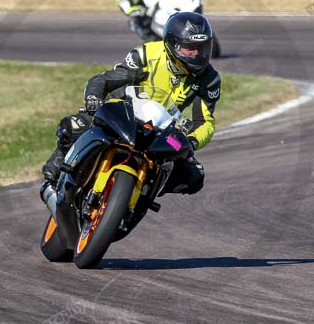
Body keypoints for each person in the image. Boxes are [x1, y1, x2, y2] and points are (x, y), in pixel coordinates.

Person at [41, 11, 221, 196]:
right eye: (189, 48)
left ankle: (141, 193)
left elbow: (205, 121)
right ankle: (57, 168)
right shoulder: (147, 54)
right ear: (172, 44)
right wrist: (93, 98)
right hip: (122, 114)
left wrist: (191, 141)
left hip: (162, 132)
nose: (197, 54)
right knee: (74, 126)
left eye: (202, 47)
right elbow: (104, 80)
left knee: (194, 175)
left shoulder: (210, 78)